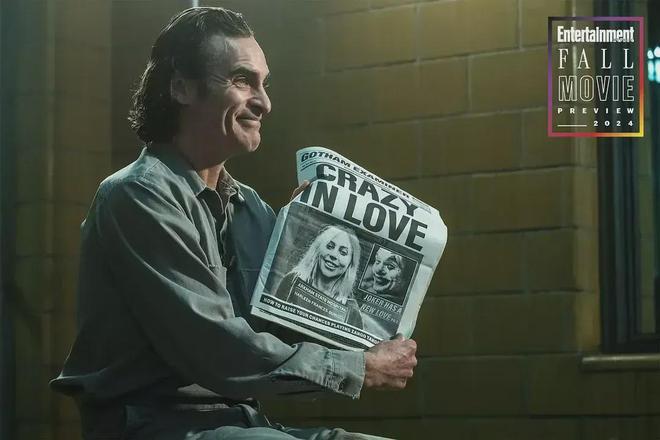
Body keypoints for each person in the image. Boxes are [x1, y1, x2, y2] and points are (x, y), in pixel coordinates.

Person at [50, 7, 417, 440]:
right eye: (243, 80)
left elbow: (284, 327)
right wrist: (359, 367)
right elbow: (215, 347)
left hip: (239, 421)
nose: (264, 102)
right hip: (155, 425)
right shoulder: (138, 195)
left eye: (264, 84)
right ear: (182, 87)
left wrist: (307, 243)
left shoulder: (250, 208)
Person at [275, 225, 363, 328]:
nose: (334, 255)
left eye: (343, 252)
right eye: (329, 247)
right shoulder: (292, 280)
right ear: (318, 249)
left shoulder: (352, 311)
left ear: (350, 263)